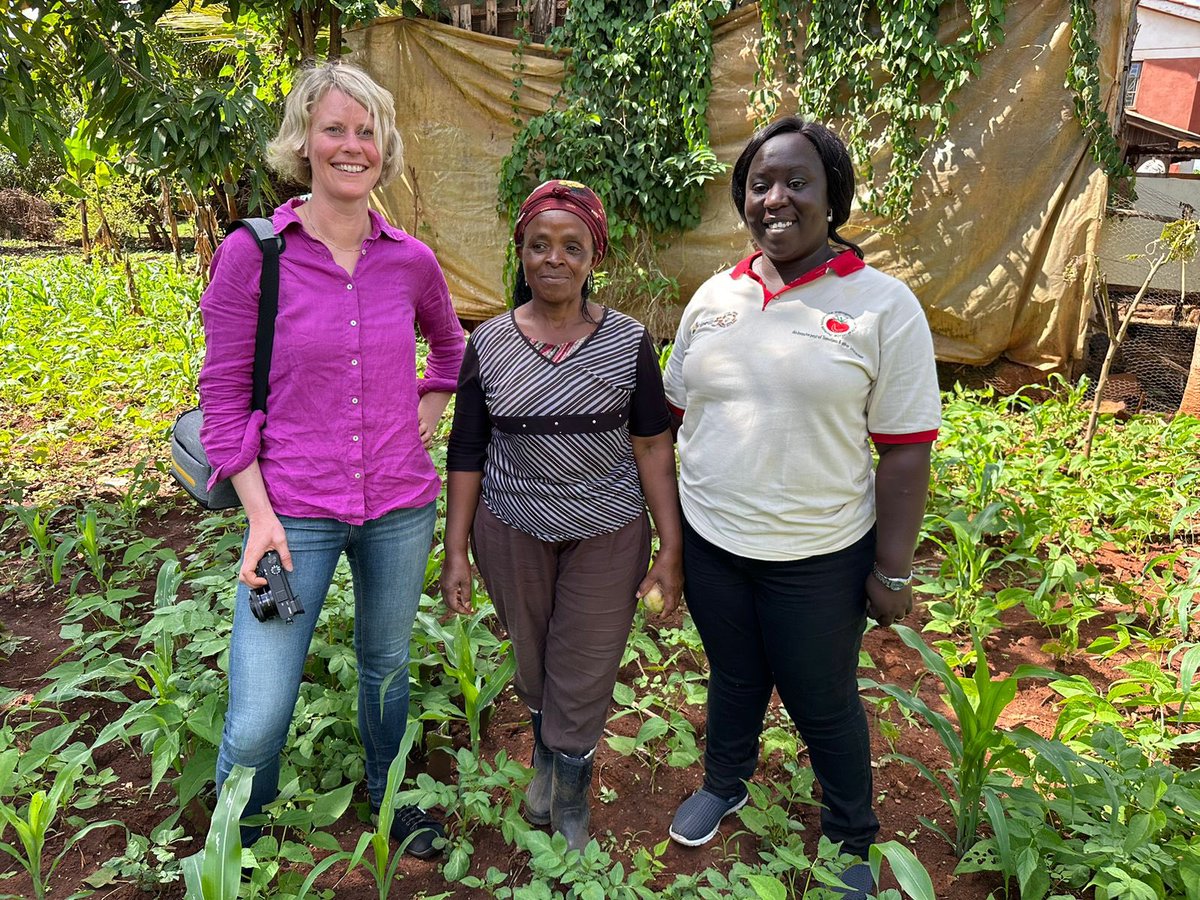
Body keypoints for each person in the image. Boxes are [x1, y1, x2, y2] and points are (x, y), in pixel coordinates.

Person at [662, 117, 940, 898]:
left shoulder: (883, 306)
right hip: (715, 543)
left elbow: (906, 448)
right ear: (742, 199)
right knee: (734, 678)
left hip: (820, 555)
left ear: (832, 197)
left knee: (823, 700)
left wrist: (892, 569)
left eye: (797, 182)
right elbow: (677, 412)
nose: (775, 198)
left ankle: (851, 832)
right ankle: (726, 781)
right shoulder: (715, 297)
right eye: (759, 183)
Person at [199, 61, 464, 858]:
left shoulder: (409, 261)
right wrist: (256, 516)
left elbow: (450, 350)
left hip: (398, 506)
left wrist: (421, 414)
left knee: (386, 667)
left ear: (383, 146)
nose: (353, 146)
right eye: (335, 129)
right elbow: (220, 393)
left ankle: (390, 798)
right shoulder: (255, 254)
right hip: (291, 512)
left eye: (367, 132)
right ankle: (235, 839)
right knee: (258, 712)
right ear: (304, 143)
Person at [441, 179, 683, 851]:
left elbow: (652, 442)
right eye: (539, 244)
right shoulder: (487, 343)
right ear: (519, 252)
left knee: (588, 659)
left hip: (607, 528)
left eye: (571, 246)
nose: (554, 258)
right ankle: (548, 768)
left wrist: (671, 545)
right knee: (534, 655)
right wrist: (456, 549)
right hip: (512, 526)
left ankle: (569, 795)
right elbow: (467, 449)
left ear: (594, 255)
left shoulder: (627, 341)